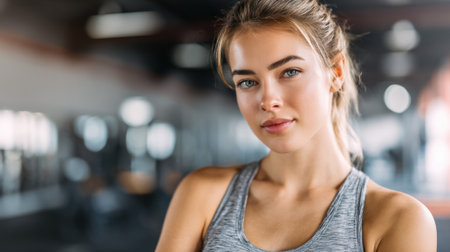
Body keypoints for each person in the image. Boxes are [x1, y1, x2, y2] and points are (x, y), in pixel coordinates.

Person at [156, 0, 437, 251]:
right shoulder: (203, 193)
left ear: (335, 72)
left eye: (290, 72)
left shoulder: (397, 218)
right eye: (247, 82)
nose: (268, 100)